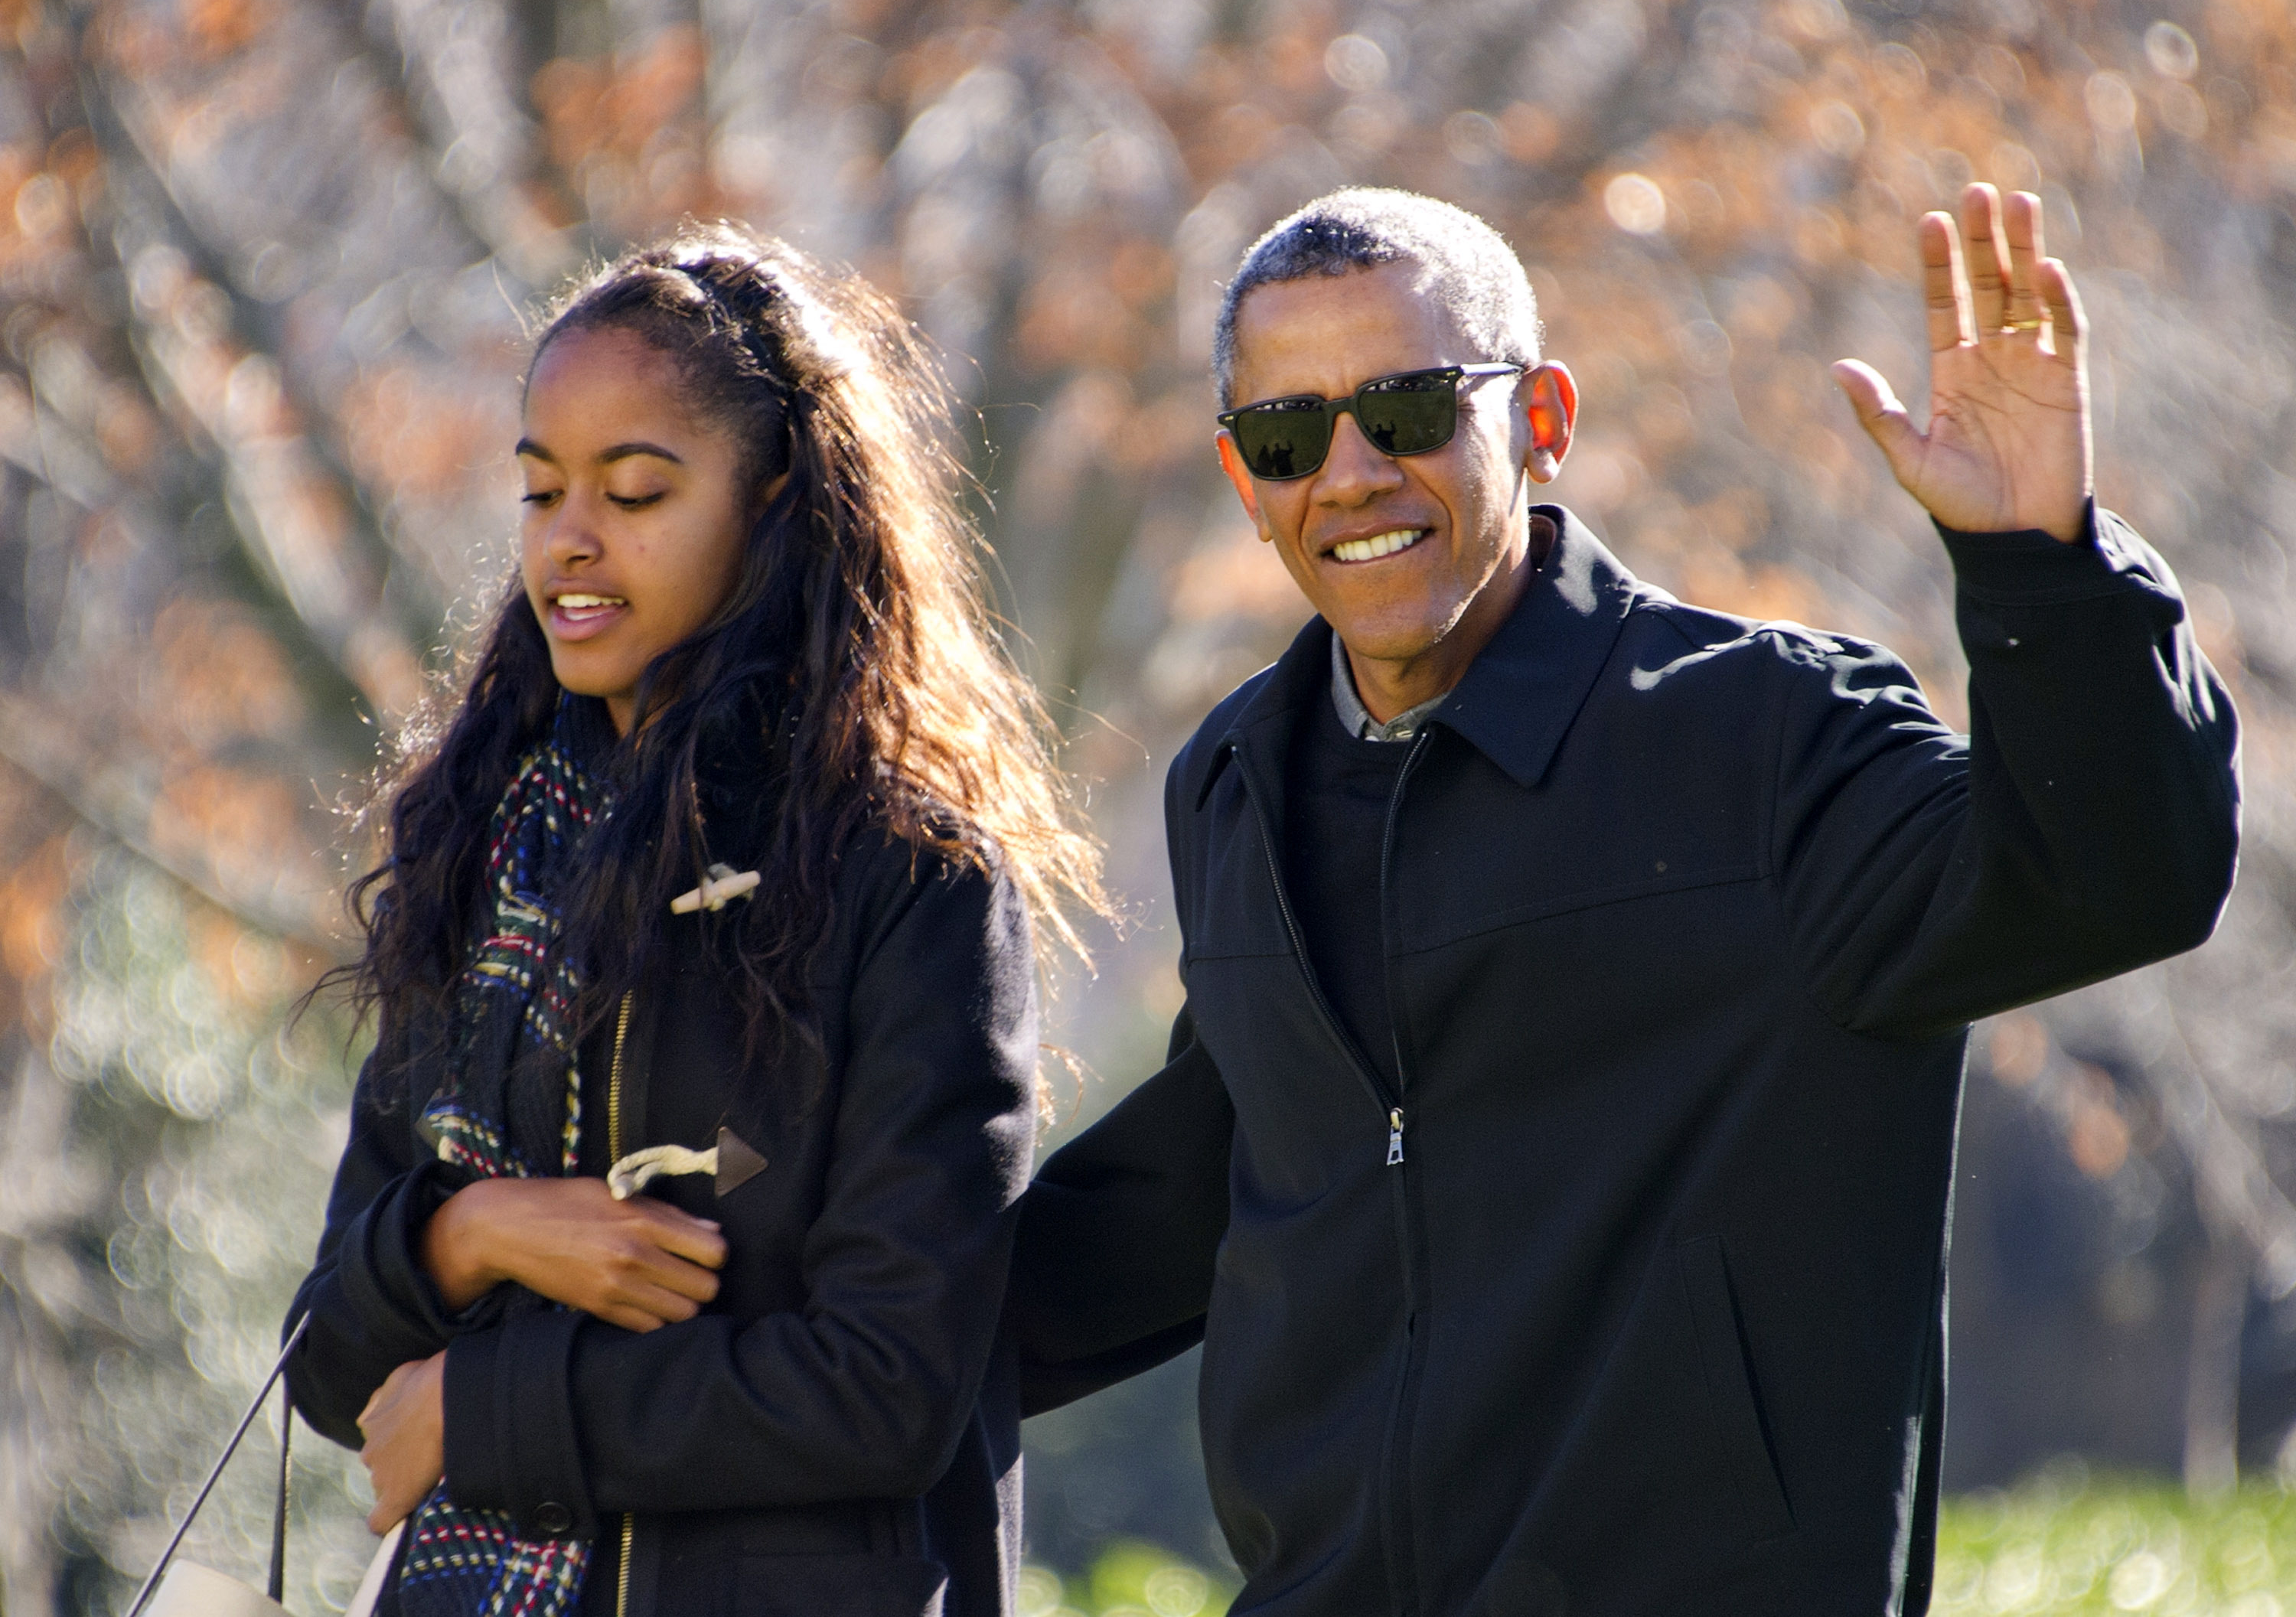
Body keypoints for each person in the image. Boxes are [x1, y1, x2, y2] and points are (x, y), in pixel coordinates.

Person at [1007, 185, 2241, 1615]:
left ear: (1541, 419)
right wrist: (833, 1322)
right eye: (1290, 436)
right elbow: (1195, 1186)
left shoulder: (1765, 740)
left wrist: (2047, 573)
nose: (1349, 476)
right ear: (1244, 478)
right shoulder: (1237, 780)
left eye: (1407, 410)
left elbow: (2115, 880)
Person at [284, 223, 1101, 1617]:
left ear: (777, 506)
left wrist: (489, 1410)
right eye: (541, 492)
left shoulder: (909, 880)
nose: (571, 539)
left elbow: (887, 1387)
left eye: (635, 491)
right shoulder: (480, 857)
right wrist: (468, 1234)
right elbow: (325, 1367)